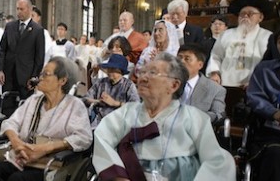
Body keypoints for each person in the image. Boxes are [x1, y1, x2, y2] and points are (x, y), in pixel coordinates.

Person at [92, 52, 236, 181]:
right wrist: (119, 177)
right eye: (142, 72)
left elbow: (217, 160)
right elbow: (102, 138)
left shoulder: (193, 117)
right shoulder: (126, 113)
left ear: (173, 85)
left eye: (153, 73)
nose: (143, 77)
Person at [0, 56, 93, 180]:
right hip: (23, 157)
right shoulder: (33, 101)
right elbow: (10, 123)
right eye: (41, 74)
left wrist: (46, 148)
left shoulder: (74, 105)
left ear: (62, 80)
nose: (40, 78)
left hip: (51, 163)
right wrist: (17, 143)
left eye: (46, 74)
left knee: (18, 179)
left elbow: (83, 137)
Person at [206, 0, 272, 87]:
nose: (245, 16)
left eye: (250, 14)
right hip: (225, 84)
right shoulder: (226, 35)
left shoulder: (268, 37)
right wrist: (214, 73)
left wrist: (257, 81)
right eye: (242, 14)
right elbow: (216, 56)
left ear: (260, 17)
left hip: (255, 87)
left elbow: (270, 64)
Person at [246, 29, 280, 181]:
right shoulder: (264, 69)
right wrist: (274, 113)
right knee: (275, 154)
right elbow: (254, 97)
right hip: (272, 131)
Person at [0, 0, 45, 99]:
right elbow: (2, 49)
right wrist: (0, 69)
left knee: (24, 107)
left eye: (21, 9)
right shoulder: (10, 26)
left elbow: (39, 56)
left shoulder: (37, 30)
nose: (19, 12)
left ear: (30, 9)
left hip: (26, 77)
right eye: (17, 9)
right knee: (7, 105)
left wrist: (34, 77)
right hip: (8, 75)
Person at [84, 54, 139, 127]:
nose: (110, 72)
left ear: (121, 72)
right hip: (98, 124)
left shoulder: (128, 85)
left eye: (113, 70)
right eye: (109, 69)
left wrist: (115, 103)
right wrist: (98, 102)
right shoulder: (101, 82)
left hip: (119, 125)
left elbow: (136, 107)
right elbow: (85, 99)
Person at [178, 44, 226, 123]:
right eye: (179, 58)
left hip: (197, 130)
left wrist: (195, 117)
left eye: (187, 59)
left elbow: (218, 115)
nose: (181, 62)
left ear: (200, 65)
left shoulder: (216, 89)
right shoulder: (166, 83)